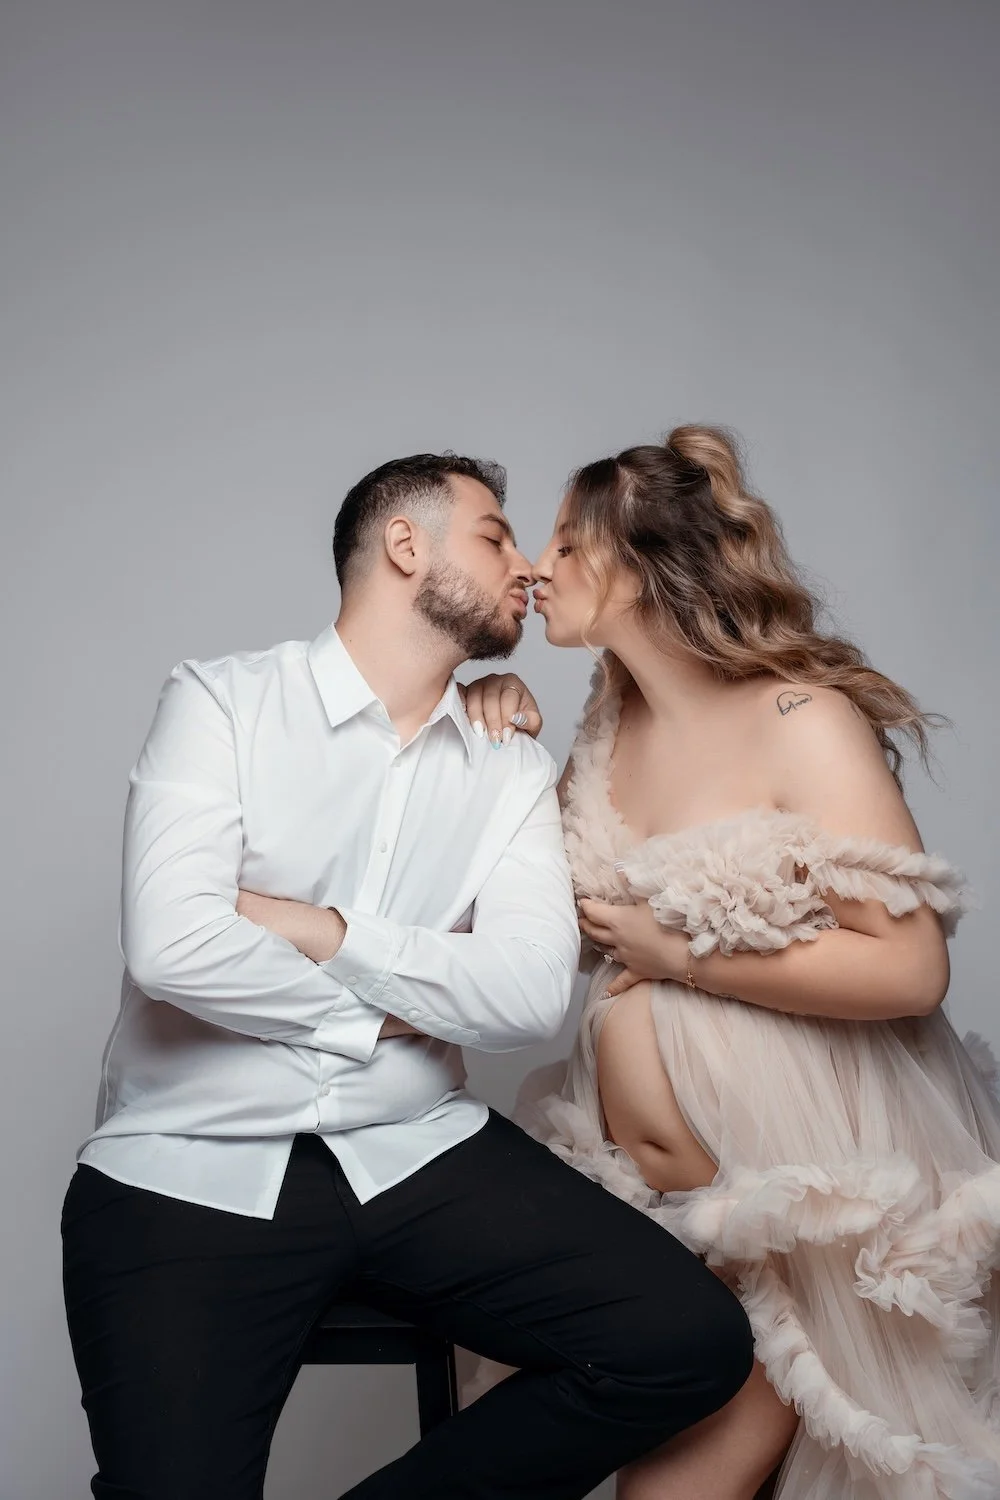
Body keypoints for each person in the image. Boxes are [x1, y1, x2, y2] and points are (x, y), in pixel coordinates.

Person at [61, 451, 753, 1500]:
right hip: (189, 1163)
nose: (526, 566)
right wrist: (380, 1018)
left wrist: (328, 934)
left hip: (417, 1150)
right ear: (403, 546)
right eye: (494, 535)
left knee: (684, 1343)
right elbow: (174, 947)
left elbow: (524, 995)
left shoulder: (507, 758)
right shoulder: (220, 704)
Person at [463, 427, 1000, 1500]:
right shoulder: (609, 724)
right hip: (649, 1198)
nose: (535, 567)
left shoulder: (801, 720)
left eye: (566, 545)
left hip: (802, 1187)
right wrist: (487, 743)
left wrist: (684, 959)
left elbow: (908, 970)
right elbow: (555, 937)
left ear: (635, 560)